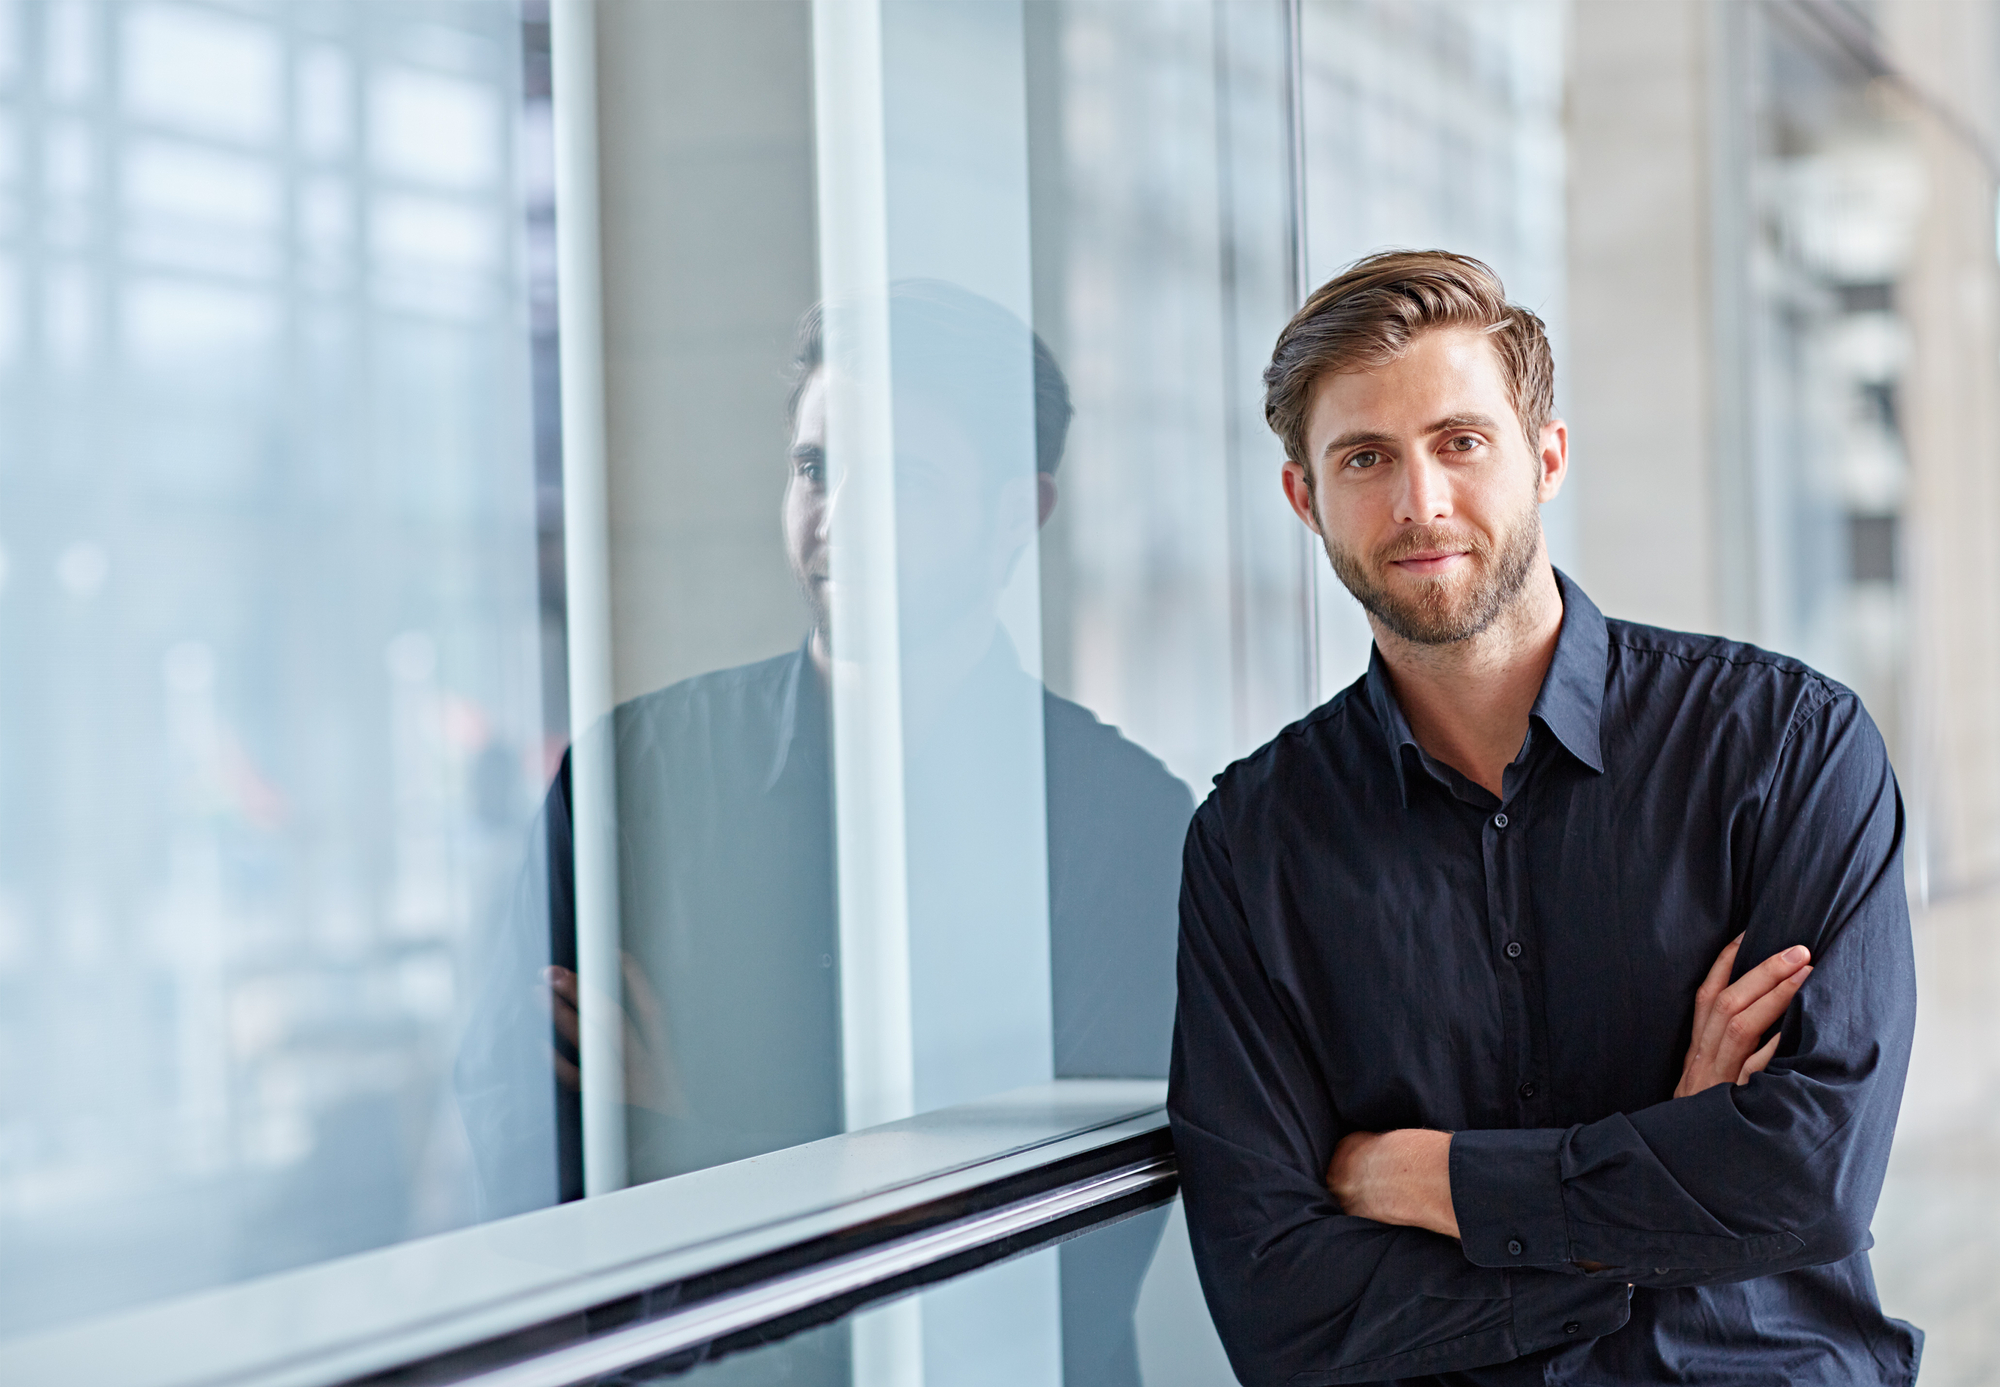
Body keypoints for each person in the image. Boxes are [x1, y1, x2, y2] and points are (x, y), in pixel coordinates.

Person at [1168, 250, 1921, 1385]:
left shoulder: (1784, 747)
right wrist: (1656, 1187)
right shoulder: (1253, 842)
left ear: (1545, 457)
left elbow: (1806, 1177)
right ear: (1302, 497)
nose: (1418, 501)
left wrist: (1426, 1181)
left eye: (1459, 442)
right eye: (1363, 458)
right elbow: (1277, 1302)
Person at [456, 280, 1193, 1385]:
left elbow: (1051, 1257)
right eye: (812, 467)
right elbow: (523, 1151)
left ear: (1015, 517)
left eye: (901, 479)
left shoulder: (1126, 825)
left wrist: (681, 1138)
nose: (833, 518)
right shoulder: (633, 776)